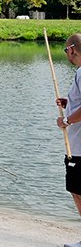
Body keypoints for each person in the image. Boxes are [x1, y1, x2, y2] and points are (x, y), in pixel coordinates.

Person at [56, 34, 81, 247]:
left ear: (72, 49)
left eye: (66, 50)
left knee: (78, 190)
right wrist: (69, 104)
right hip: (77, 145)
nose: (66, 55)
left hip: (80, 147)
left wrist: (66, 120)